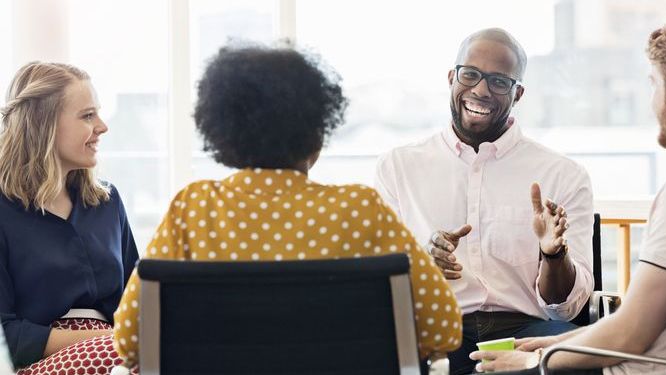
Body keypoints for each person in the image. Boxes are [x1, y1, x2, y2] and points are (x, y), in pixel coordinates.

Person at [112, 44, 462, 372]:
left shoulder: (193, 208)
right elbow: (444, 327)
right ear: (317, 134)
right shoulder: (361, 209)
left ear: (225, 134)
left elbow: (129, 340)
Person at [470, 14, 666, 375]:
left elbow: (629, 334)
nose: (652, 102)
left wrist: (538, 360)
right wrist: (556, 343)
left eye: (654, 84)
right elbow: (641, 324)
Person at [374, 28, 594, 374]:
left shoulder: (563, 174)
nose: (480, 89)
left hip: (526, 331)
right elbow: (382, 281)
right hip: (436, 328)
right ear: (452, 77)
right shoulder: (398, 167)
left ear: (517, 93)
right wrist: (422, 261)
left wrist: (554, 254)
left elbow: (565, 310)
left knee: (573, 361)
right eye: (471, 74)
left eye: (498, 81)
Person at [0, 62, 139, 374]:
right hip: (41, 363)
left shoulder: (108, 201)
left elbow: (136, 302)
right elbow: (6, 333)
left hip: (116, 355)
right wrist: (109, 339)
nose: (103, 126)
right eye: (88, 115)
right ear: (43, 124)